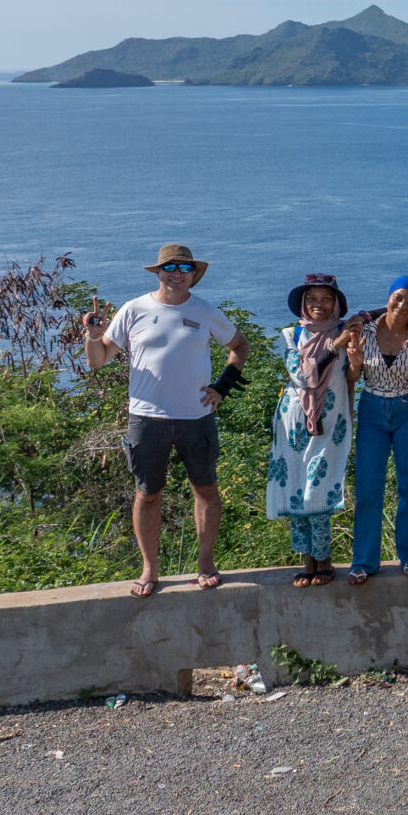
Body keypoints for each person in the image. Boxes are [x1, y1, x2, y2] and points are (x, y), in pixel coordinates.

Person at [81, 243, 249, 598]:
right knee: (147, 494)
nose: (176, 273)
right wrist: (93, 336)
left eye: (184, 268)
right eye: (169, 267)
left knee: (205, 490)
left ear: (193, 276)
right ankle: (149, 569)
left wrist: (223, 387)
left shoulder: (204, 311)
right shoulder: (134, 309)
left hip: (196, 417)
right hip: (146, 418)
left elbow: (239, 345)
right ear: (157, 272)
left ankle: (206, 564)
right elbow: (98, 360)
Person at [346, 275, 408, 583]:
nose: (403, 305)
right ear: (388, 297)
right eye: (398, 298)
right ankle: (363, 560)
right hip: (373, 409)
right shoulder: (366, 331)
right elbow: (352, 378)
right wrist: (356, 363)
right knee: (368, 488)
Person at [267, 274, 356, 588]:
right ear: (303, 303)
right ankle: (308, 562)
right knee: (297, 487)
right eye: (313, 299)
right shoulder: (291, 334)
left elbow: (354, 372)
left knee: (320, 486)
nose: (319, 305)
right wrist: (335, 347)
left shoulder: (347, 331)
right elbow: (303, 376)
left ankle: (325, 559)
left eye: (326, 299)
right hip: (294, 421)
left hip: (332, 420)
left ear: (336, 304)